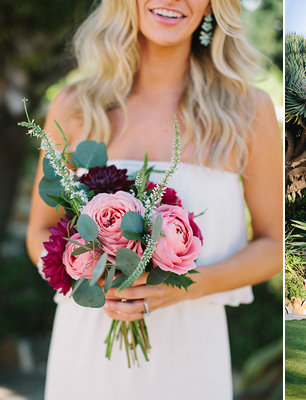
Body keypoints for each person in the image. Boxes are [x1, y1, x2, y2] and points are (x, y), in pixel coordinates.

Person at [25, 0, 283, 399]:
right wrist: (91, 272)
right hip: (86, 351)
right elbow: (39, 231)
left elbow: (275, 246)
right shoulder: (76, 106)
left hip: (190, 357)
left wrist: (185, 286)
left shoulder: (248, 112)